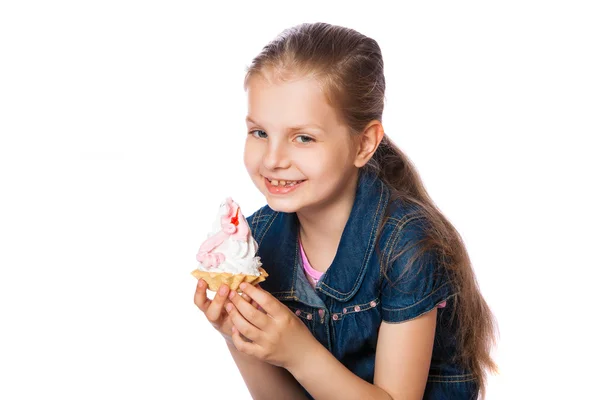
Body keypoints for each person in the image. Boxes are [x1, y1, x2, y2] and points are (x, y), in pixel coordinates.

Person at [194, 22, 497, 400]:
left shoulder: (406, 246)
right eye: (259, 133)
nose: (272, 160)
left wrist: (298, 352)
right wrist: (238, 334)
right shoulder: (257, 241)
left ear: (363, 144)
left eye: (303, 137)